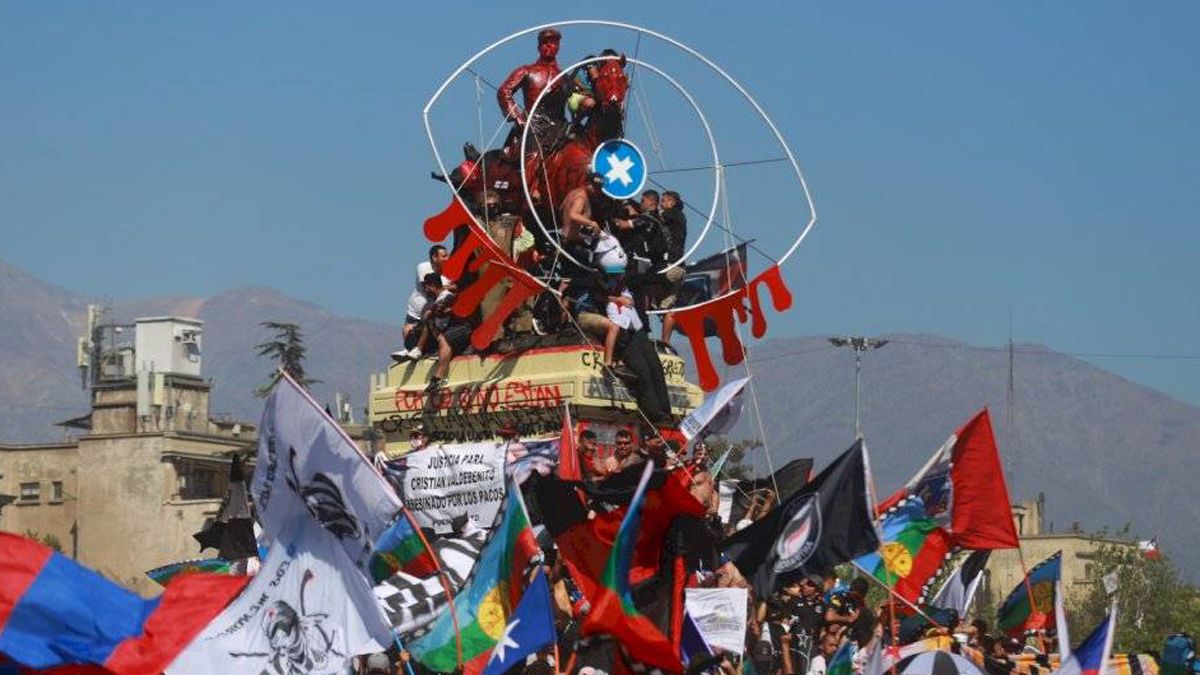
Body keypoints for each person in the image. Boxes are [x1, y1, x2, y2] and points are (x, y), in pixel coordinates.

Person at [497, 28, 566, 160]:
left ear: (558, 46)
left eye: (553, 42)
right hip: (533, 126)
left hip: (559, 128)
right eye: (545, 42)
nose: (549, 45)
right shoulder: (526, 71)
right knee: (532, 159)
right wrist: (516, 116)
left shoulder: (564, 75)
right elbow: (504, 91)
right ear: (539, 47)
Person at [394, 272, 445, 361]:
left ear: (432, 286)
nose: (425, 290)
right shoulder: (431, 301)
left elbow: (434, 316)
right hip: (432, 331)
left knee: (428, 323)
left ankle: (418, 350)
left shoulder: (445, 297)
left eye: (426, 287)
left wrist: (430, 313)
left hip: (440, 332)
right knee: (408, 328)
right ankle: (409, 350)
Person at [657, 190, 687, 341]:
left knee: (641, 285)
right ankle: (665, 342)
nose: (661, 204)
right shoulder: (679, 218)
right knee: (668, 309)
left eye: (663, 201)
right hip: (680, 267)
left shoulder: (673, 214)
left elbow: (657, 216)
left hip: (670, 266)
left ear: (672, 202)